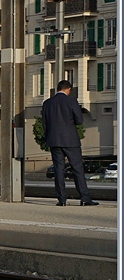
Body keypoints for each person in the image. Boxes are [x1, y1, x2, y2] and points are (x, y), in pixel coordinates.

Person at [42, 79, 96, 207]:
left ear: (58, 89)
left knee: (58, 170)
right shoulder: (72, 101)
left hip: (54, 140)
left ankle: (62, 199)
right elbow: (79, 120)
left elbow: (45, 123)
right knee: (77, 168)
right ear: (69, 89)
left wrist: (49, 137)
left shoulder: (47, 103)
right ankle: (84, 198)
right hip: (70, 140)